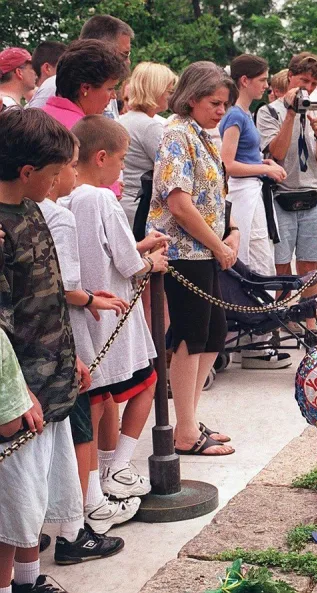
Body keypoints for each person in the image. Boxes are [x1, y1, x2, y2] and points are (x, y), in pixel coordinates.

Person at [0, 108, 99, 593]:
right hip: (20, 396)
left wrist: (70, 354)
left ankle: (27, 580)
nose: (61, 178)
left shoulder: (35, 211)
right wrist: (17, 396)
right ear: (26, 171)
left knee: (34, 497)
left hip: (50, 378)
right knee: (10, 504)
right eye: (55, 169)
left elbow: (50, 296)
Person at [60, 116, 170, 505]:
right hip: (114, 311)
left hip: (84, 309)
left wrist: (140, 245)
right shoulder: (102, 197)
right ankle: (118, 464)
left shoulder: (66, 198)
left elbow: (103, 250)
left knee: (101, 398)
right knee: (148, 380)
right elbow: (126, 263)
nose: (124, 167)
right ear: (102, 157)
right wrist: (150, 259)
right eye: (122, 159)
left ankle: (102, 478)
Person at [39, 139, 139, 547]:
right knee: (78, 431)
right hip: (59, 340)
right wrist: (91, 299)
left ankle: (37, 531)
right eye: (67, 165)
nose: (73, 173)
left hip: (48, 340)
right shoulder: (57, 215)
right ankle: (73, 532)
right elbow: (64, 286)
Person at [148, 61, 239, 456]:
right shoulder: (176, 135)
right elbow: (179, 203)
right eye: (214, 102)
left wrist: (225, 236)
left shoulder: (200, 135)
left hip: (203, 250)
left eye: (224, 103)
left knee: (213, 335)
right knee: (189, 336)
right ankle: (183, 430)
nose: (221, 110)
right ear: (191, 97)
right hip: (184, 252)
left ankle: (189, 418)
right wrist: (218, 245)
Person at [256, 52, 317, 333]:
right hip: (281, 194)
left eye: (313, 83)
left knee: (312, 263)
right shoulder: (269, 112)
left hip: (314, 191)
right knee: (280, 263)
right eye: (303, 81)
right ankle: (280, 320)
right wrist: (290, 113)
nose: (308, 89)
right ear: (290, 77)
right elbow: (275, 153)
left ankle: (310, 322)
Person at [221, 54, 286, 275]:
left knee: (262, 252)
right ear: (245, 81)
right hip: (243, 193)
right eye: (262, 80)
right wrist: (266, 168)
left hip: (253, 190)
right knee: (256, 256)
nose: (266, 86)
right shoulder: (235, 116)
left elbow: (242, 154)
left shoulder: (246, 113)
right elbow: (227, 164)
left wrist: (262, 161)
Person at [26, 14, 134, 109]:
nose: (128, 61)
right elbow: (35, 130)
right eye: (124, 54)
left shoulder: (107, 89)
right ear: (100, 49)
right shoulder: (56, 87)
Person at [119, 62, 178, 225]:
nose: (170, 96)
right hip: (141, 208)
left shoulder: (123, 119)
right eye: (169, 91)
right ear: (156, 90)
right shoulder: (150, 126)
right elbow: (172, 170)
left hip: (127, 204)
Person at [42, 39, 128, 129]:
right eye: (110, 89)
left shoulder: (38, 118)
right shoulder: (87, 132)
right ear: (86, 87)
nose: (114, 96)